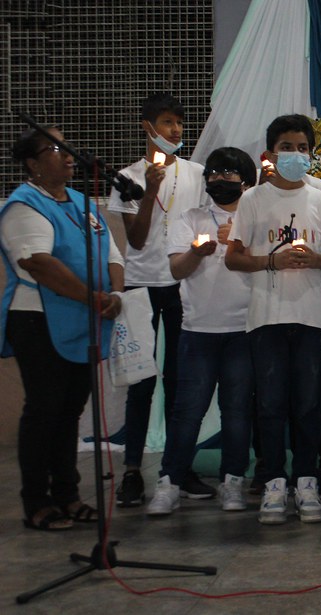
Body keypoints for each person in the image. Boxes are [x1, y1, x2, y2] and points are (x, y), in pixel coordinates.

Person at [225, 114, 321, 524]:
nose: (295, 154)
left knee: (309, 404)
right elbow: (233, 257)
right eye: (287, 148)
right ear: (271, 154)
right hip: (266, 316)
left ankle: (307, 481)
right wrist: (270, 262)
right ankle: (274, 482)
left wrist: (317, 260)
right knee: (271, 403)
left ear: (311, 153)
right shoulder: (253, 199)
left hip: (310, 315)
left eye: (302, 148)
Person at [2, 125, 124, 530]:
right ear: (33, 164)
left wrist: (115, 294)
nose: (69, 155)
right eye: (55, 149)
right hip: (38, 319)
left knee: (70, 411)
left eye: (68, 147)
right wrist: (94, 298)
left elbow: (112, 252)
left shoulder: (81, 202)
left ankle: (68, 495)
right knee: (44, 410)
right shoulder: (24, 206)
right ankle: (37, 502)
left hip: (85, 317)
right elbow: (38, 263)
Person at [107, 92, 209, 507]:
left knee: (180, 380)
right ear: (147, 127)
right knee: (142, 381)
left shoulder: (197, 173)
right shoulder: (127, 177)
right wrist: (149, 190)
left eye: (179, 123)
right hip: (140, 284)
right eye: (167, 122)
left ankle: (177, 468)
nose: (175, 130)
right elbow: (135, 239)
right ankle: (133, 470)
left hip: (182, 283)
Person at [146, 147, 257, 516]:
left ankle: (233, 482)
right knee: (187, 411)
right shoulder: (190, 218)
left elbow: (271, 264)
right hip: (198, 330)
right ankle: (170, 482)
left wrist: (239, 244)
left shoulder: (255, 219)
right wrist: (198, 252)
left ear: (246, 181)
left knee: (237, 411)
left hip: (244, 328)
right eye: (214, 173)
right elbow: (176, 270)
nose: (220, 179)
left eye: (229, 173)